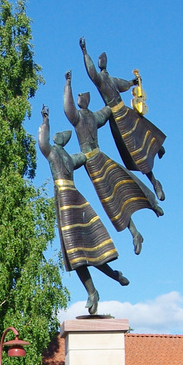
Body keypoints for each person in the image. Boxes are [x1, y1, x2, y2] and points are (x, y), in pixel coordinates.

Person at [38, 105, 128, 316]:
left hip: (67, 202)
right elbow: (88, 154)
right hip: (73, 199)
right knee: (80, 253)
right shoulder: (69, 157)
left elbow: (43, 141)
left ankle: (102, 285)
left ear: (60, 140)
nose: (56, 136)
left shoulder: (56, 155)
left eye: (58, 135)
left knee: (78, 253)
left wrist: (45, 122)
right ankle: (103, 284)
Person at [62, 73, 161, 254]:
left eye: (80, 97)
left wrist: (127, 87)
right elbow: (68, 108)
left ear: (86, 100)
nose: (78, 100)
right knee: (112, 202)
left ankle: (152, 202)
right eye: (77, 98)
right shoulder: (79, 118)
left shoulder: (94, 117)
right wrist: (68, 85)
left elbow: (110, 106)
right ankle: (135, 233)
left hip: (98, 158)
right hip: (92, 163)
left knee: (125, 181)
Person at [81, 38, 166, 201]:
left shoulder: (111, 79)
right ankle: (155, 183)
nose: (101, 63)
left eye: (102, 60)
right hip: (117, 119)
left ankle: (158, 148)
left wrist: (135, 82)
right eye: (99, 61)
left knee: (144, 129)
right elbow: (91, 73)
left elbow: (126, 84)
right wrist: (85, 53)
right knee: (136, 153)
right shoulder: (100, 79)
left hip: (125, 112)